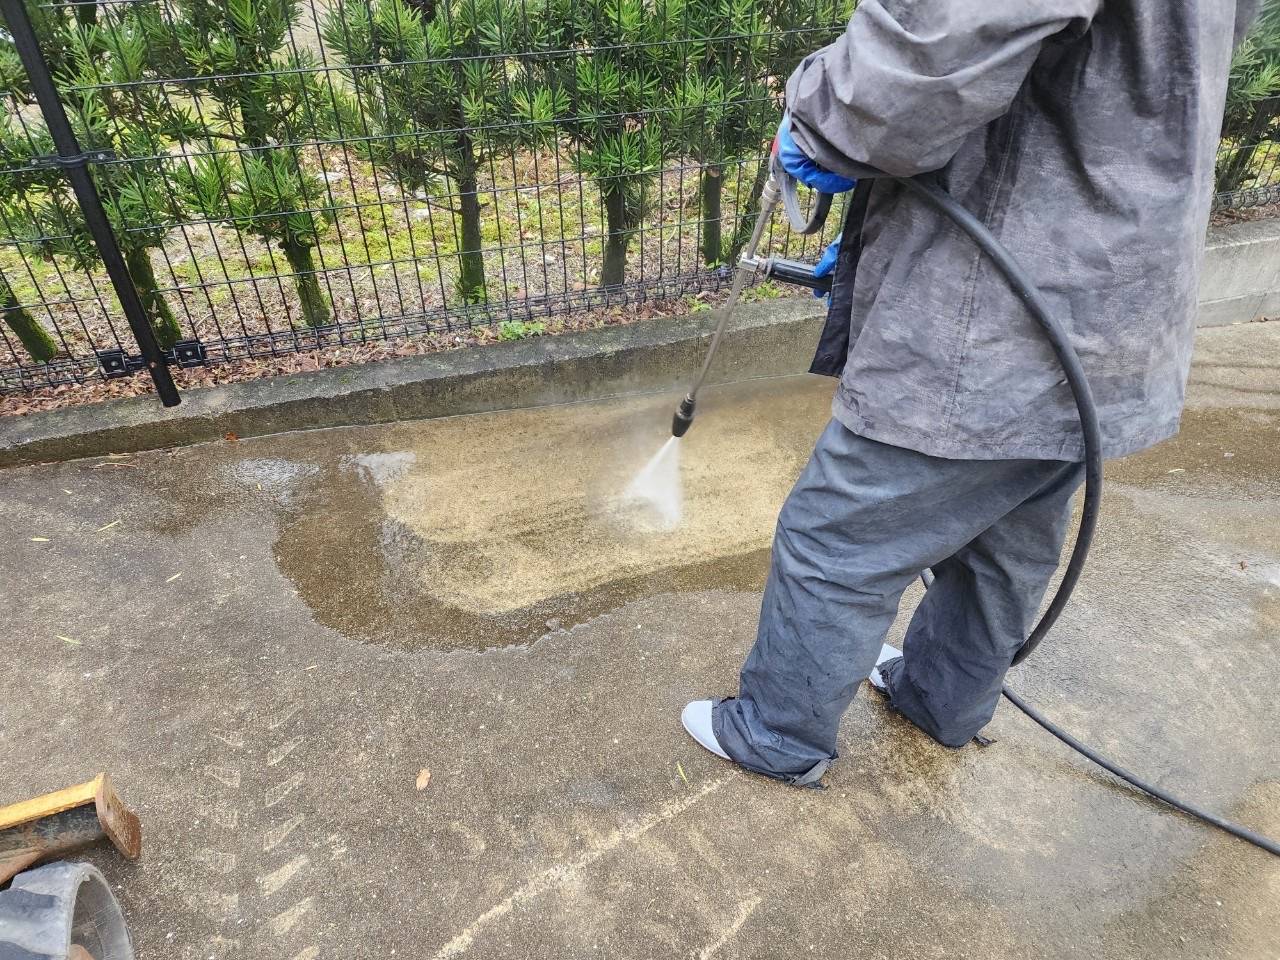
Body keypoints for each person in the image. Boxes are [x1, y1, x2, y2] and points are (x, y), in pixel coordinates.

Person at [681, 0, 1261, 786]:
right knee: (1005, 540)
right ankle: (939, 702)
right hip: (1112, 304)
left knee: (838, 540)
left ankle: (776, 734)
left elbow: (932, 53)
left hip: (989, 325)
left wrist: (820, 117)